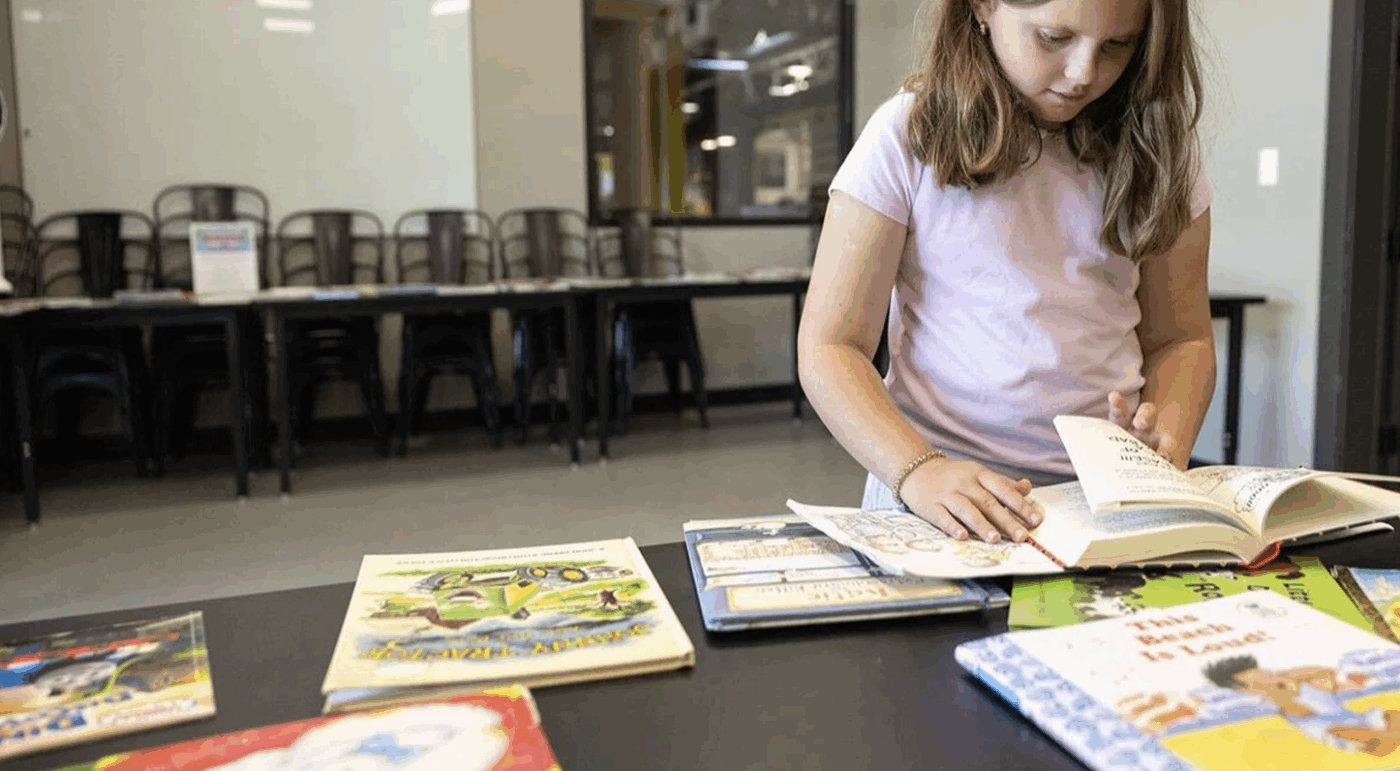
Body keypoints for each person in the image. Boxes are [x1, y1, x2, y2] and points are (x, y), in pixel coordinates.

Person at [798, 0, 1216, 544]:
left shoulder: (1160, 151)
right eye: (1052, 38)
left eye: (1117, 46)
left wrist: (1165, 439)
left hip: (1099, 499)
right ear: (983, 6)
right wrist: (920, 471)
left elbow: (1181, 339)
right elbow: (831, 347)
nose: (1083, 73)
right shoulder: (907, 133)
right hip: (936, 492)